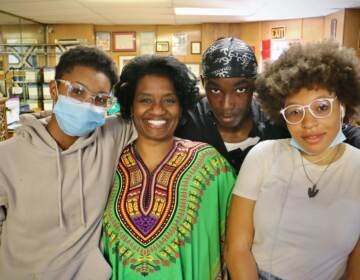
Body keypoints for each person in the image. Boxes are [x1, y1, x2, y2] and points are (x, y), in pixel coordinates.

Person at [225, 40, 360, 280]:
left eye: (321, 107)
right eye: (295, 112)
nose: (308, 124)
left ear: (343, 105)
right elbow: (236, 249)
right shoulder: (263, 156)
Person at [0, 46, 136, 279]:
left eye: (100, 99)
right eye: (77, 91)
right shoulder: (7, 156)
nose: (87, 104)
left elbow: (157, 111)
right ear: (54, 89)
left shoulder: (111, 137)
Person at [101, 55, 236, 279]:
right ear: (130, 106)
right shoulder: (109, 163)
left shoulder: (211, 166)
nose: (157, 110)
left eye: (169, 100)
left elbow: (238, 242)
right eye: (145, 100)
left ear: (181, 106)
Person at [175, 37, 360, 172]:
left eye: (240, 90)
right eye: (215, 90)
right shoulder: (184, 122)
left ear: (255, 85)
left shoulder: (279, 119)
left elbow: (342, 132)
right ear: (203, 83)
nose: (226, 104)